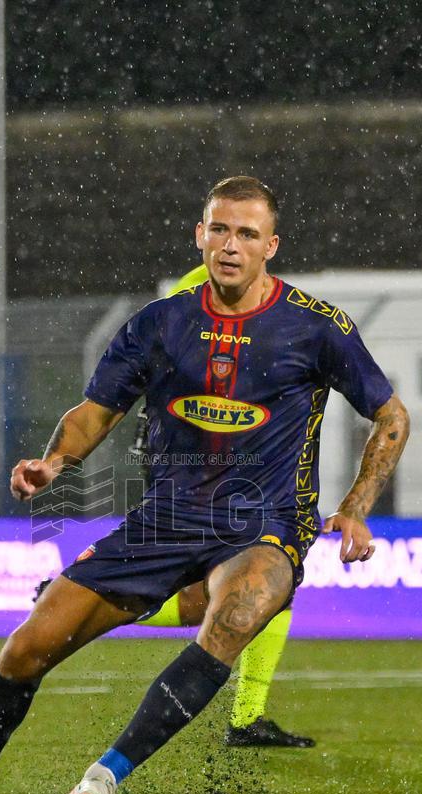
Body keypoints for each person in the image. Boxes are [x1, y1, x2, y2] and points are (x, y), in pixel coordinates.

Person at [0, 175, 409, 794]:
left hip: (266, 524)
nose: (230, 245)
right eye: (218, 229)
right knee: (26, 649)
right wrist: (54, 462)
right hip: (163, 521)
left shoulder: (314, 328)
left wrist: (358, 501)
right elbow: (95, 412)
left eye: (246, 233)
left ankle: (101, 780)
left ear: (270, 246)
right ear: (199, 236)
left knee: (236, 614)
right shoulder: (161, 323)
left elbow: (389, 417)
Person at [130, 260, 310, 748]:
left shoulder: (261, 296)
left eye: (250, 233)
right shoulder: (201, 289)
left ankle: (248, 717)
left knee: (271, 583)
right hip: (198, 458)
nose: (236, 246)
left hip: (225, 459)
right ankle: (106, 599)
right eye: (228, 231)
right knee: (245, 582)